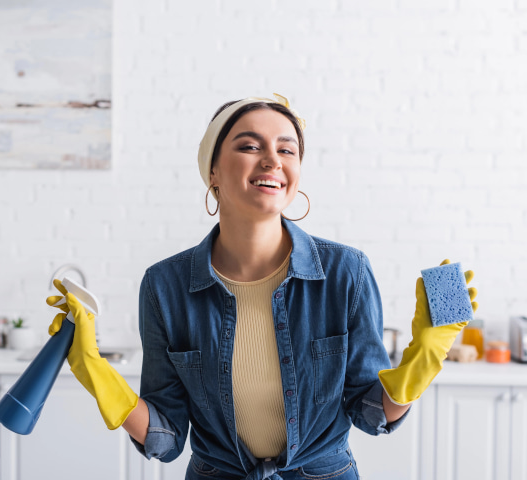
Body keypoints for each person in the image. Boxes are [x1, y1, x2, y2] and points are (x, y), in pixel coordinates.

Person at [46, 94, 478, 480]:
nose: (272, 160)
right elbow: (167, 436)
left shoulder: (347, 272)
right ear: (213, 170)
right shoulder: (166, 285)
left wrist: (425, 355)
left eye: (286, 149)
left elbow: (369, 413)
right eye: (250, 146)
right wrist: (94, 370)